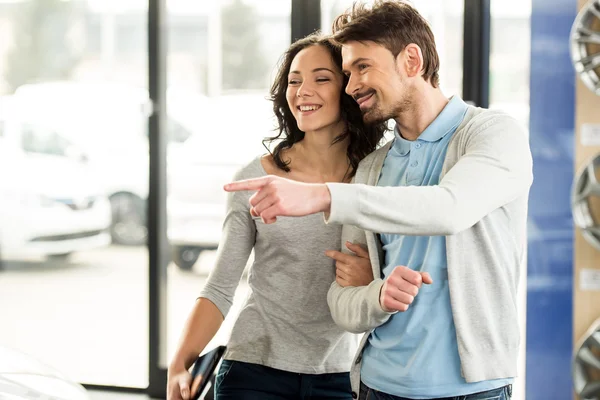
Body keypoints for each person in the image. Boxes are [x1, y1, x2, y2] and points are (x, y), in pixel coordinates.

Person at [224, 1, 534, 400]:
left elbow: (451, 208)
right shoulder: (371, 170)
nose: (352, 86)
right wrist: (378, 295)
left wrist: (322, 195)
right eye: (348, 73)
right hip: (377, 386)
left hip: (475, 390)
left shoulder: (492, 134)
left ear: (411, 60)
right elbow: (342, 301)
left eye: (363, 67)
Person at [167, 32, 387, 400]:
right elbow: (220, 287)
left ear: (348, 89)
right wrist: (178, 364)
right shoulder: (256, 179)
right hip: (254, 369)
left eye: (321, 78)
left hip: (339, 377)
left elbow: (403, 275)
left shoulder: (376, 179)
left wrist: (371, 280)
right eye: (294, 81)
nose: (303, 90)